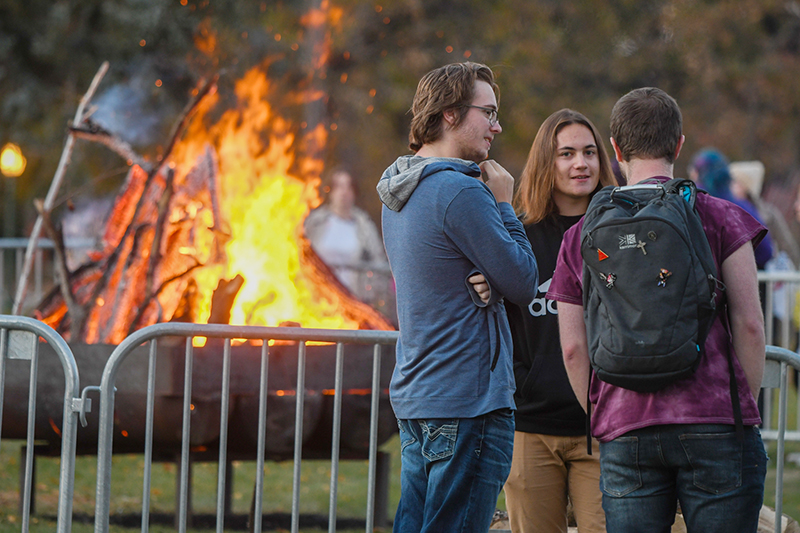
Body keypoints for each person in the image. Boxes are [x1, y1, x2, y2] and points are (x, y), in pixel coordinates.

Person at [549, 87, 768, 532]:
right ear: (679, 143)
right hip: (714, 420)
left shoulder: (581, 235)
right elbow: (749, 323)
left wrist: (600, 414)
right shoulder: (720, 217)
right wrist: (741, 410)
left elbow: (573, 348)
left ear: (614, 149)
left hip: (626, 425)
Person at [376, 62, 539, 533]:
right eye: (487, 112)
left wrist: (491, 275)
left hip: (421, 396)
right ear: (450, 114)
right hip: (469, 402)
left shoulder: (399, 191)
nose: (497, 125)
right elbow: (525, 281)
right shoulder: (460, 191)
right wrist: (506, 203)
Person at [473, 109, 615, 533]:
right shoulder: (518, 235)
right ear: (545, 163)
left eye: (590, 152)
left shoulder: (620, 233)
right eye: (566, 153)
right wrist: (485, 281)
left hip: (603, 426)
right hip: (530, 427)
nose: (581, 164)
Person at [304, 168, 390, 304]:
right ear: (330, 191)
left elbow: (378, 263)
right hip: (316, 299)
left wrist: (372, 296)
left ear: (354, 192)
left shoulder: (364, 226)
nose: (343, 192)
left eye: (348, 187)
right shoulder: (315, 223)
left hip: (352, 302)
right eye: (338, 186)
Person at [688, 148, 774, 270]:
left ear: (696, 173)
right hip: (742, 278)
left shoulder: (691, 202)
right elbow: (765, 251)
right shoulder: (742, 207)